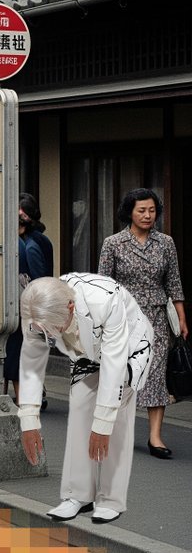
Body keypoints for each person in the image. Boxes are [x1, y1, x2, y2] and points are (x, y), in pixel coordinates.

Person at [18, 274, 154, 524]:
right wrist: (28, 420)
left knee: (115, 419)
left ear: (70, 307)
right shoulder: (35, 306)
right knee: (80, 408)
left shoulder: (105, 301)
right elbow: (31, 362)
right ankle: (78, 495)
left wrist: (102, 424)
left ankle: (111, 500)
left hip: (128, 348)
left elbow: (113, 364)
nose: (47, 336)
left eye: (51, 329)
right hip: (85, 351)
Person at [97, 188, 188, 459]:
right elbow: (103, 285)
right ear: (130, 213)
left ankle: (155, 437)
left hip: (157, 318)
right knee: (122, 375)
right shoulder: (113, 243)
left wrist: (181, 319)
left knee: (156, 375)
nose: (148, 215)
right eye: (142, 210)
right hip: (122, 318)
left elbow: (174, 283)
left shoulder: (166, 243)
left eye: (152, 210)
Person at [2, 193, 53, 401]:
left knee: (19, 351)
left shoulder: (33, 244)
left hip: (27, 304)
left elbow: (38, 278)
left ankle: (26, 395)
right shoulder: (29, 241)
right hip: (25, 303)